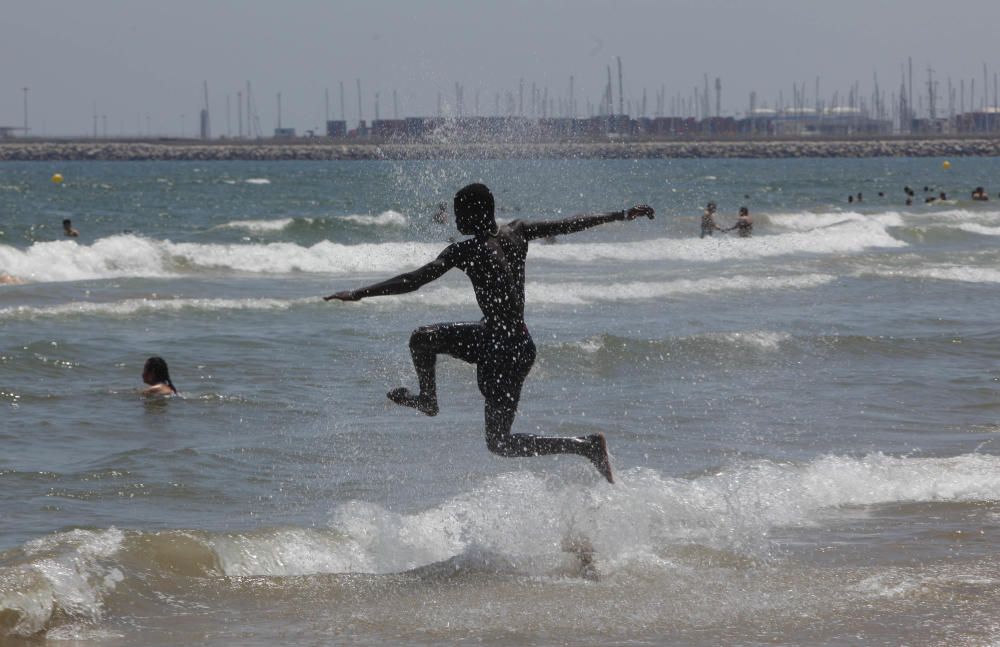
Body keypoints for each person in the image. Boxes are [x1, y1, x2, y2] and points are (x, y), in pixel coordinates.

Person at [325, 183, 655, 483]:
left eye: (460, 214)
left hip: (497, 345)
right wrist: (621, 215)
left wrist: (358, 293)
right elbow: (570, 224)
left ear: (477, 213)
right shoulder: (518, 232)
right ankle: (585, 447)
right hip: (518, 344)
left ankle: (429, 400)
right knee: (498, 438)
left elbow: (414, 280)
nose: (455, 221)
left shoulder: (464, 251)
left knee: (496, 438)